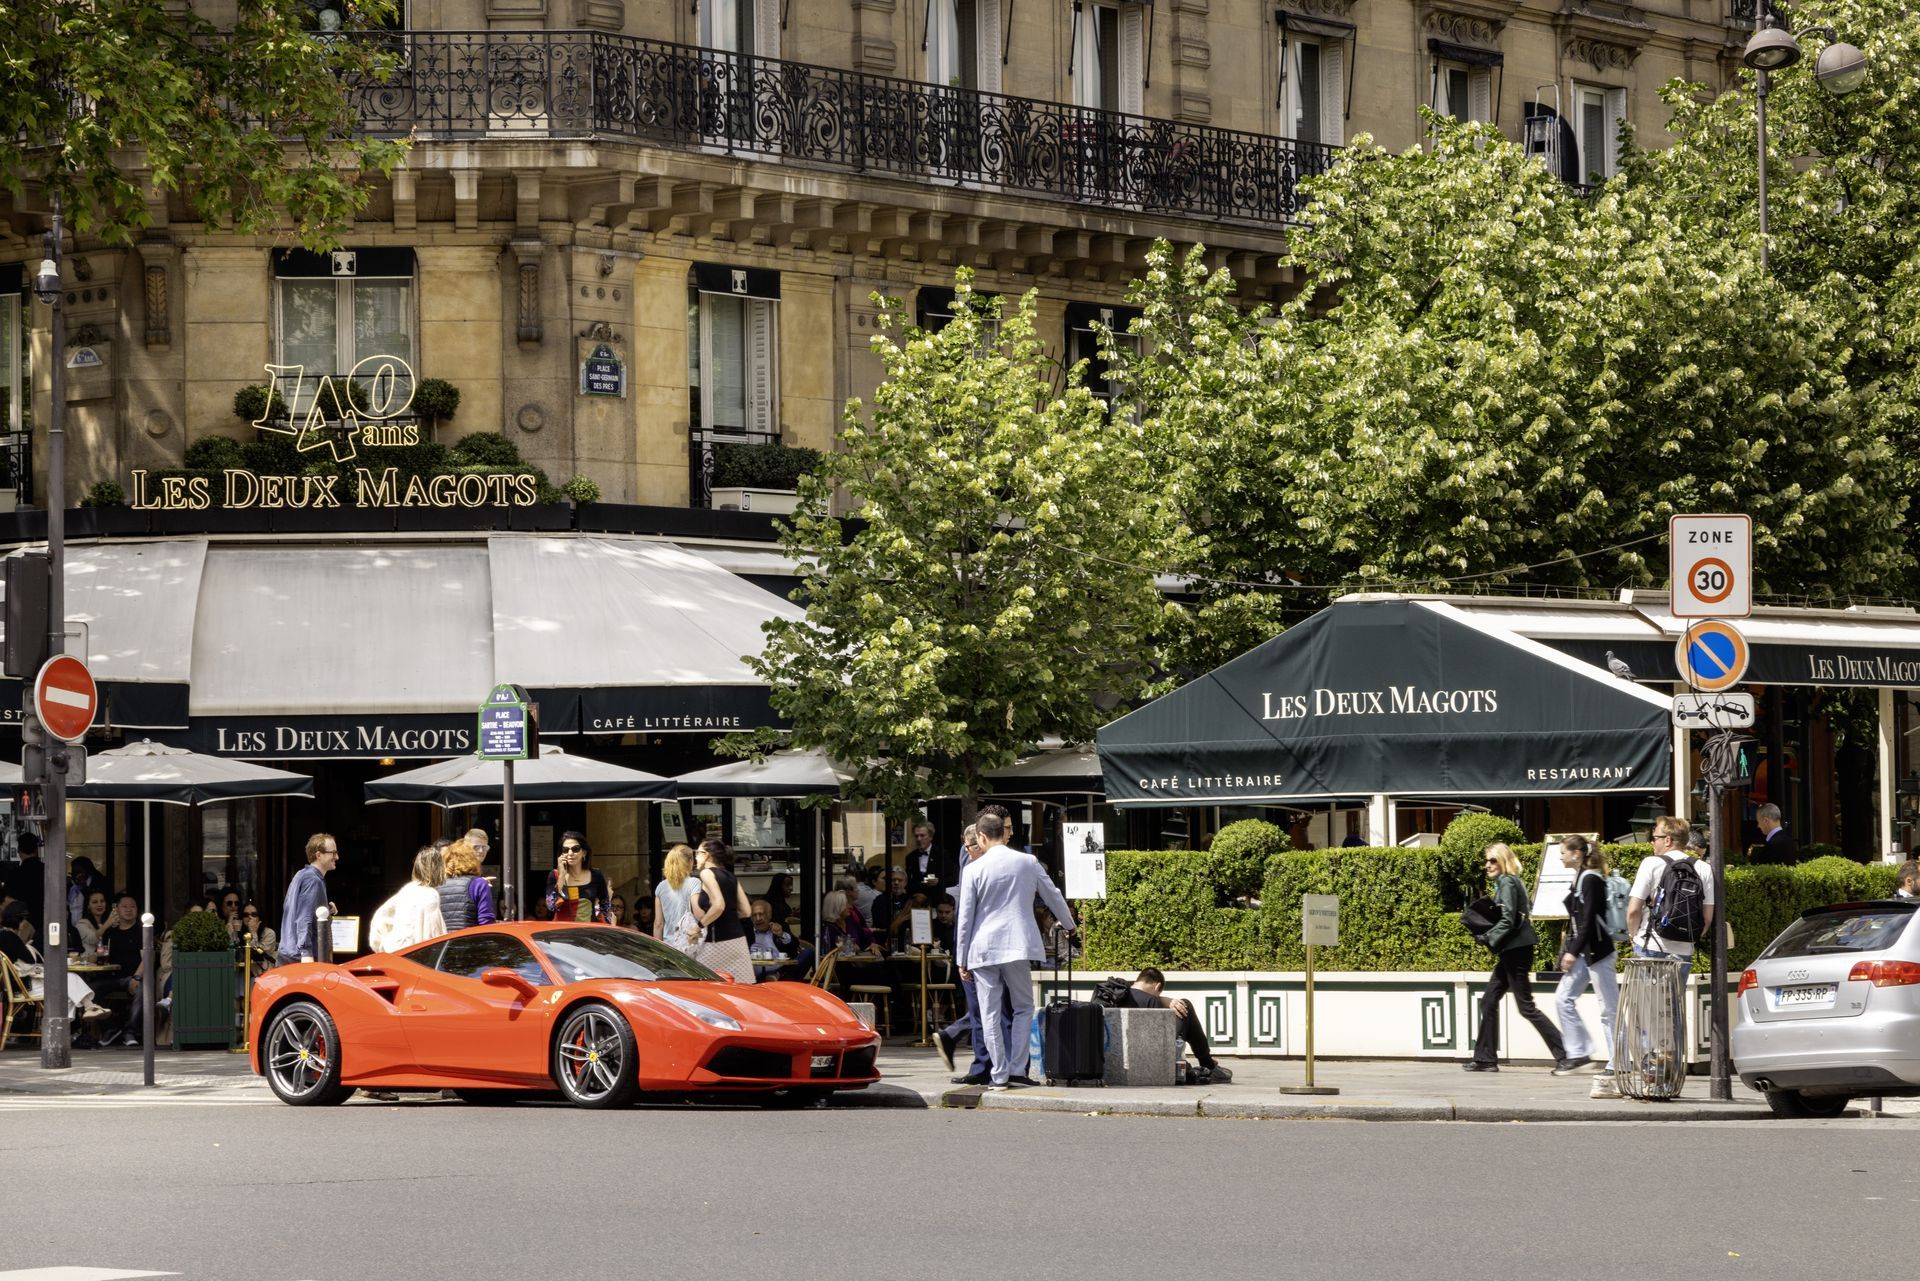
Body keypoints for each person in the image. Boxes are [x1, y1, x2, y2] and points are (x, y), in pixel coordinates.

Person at [955, 810, 1077, 1091]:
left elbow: (966, 918)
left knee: (990, 1012)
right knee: (1023, 1007)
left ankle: (998, 1075)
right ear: (1005, 833)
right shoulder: (1027, 861)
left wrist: (962, 958)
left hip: (982, 948)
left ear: (982, 836)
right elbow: (1053, 895)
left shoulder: (973, 869)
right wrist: (1069, 925)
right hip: (1017, 945)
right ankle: (1016, 1069)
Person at [1465, 843, 1572, 1073]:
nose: (1487, 865)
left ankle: (1566, 1053)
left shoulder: (1507, 882)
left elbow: (1508, 920)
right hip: (1513, 950)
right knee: (1489, 1000)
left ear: (1503, 860)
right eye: (1486, 861)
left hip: (1516, 950)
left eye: (1492, 860)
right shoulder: (1510, 882)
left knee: (1526, 1007)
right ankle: (1485, 1059)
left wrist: (1487, 937)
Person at [1551, 835, 1620, 1096]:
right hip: (1584, 954)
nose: (1560, 857)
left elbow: (1589, 920)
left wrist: (1572, 952)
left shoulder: (1591, 879)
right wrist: (1569, 952)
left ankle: (1618, 1061)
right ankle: (1579, 1053)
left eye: (1563, 852)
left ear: (1577, 854)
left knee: (1609, 1010)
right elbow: (1577, 921)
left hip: (1599, 952)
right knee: (1563, 998)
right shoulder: (1581, 877)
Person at [0, 901, 111, 1024]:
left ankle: (81, 1012)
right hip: (24, 987)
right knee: (69, 979)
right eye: (24, 919)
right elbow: (30, 960)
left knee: (68, 987)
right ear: (18, 919)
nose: (25, 923)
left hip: (18, 985)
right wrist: (27, 947)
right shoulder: (10, 937)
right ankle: (82, 1011)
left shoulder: (5, 936)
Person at [1127, 968, 1232, 1083]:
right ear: (1157, 987)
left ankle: (1208, 1063)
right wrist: (1162, 1000)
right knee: (1185, 1005)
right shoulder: (1152, 1001)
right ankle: (1208, 1064)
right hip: (1151, 1059)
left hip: (1122, 1057)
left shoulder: (1117, 993)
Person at [690, 841, 754, 982]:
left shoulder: (706, 873)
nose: (696, 858)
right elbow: (746, 911)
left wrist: (698, 926)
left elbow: (718, 905)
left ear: (706, 855)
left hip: (716, 942)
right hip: (737, 942)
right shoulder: (731, 876)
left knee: (702, 988)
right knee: (741, 991)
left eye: (697, 853)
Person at [368, 847, 448, 953]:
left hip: (395, 950)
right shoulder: (430, 895)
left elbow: (379, 916)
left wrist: (381, 945)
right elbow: (433, 934)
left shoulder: (407, 890)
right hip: (413, 955)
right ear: (439, 869)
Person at [278, 833, 339, 965]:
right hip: (300, 958)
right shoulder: (313, 880)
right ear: (318, 855)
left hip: (289, 953)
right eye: (333, 853)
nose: (337, 857)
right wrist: (306, 953)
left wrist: (326, 908)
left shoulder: (302, 875)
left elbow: (297, 909)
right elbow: (303, 917)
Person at [544, 832, 610, 923]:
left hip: (587, 932)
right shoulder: (555, 875)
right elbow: (551, 906)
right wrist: (562, 876)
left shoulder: (596, 875)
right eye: (565, 850)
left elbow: (605, 906)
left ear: (584, 853)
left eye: (575, 849)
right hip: (561, 932)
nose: (570, 853)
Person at [746, 898, 811, 979]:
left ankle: (777, 975)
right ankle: (772, 976)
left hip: (782, 971)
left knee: (809, 952)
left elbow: (794, 947)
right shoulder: (746, 932)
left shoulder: (780, 927)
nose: (758, 918)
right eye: (754, 915)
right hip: (754, 975)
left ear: (769, 915)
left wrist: (781, 934)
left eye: (761, 914)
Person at [438, 839, 495, 930]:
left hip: (444, 942)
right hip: (469, 941)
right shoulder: (479, 884)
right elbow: (486, 922)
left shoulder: (438, 885)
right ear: (472, 859)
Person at [655, 844, 701, 951]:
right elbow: (698, 914)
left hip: (668, 946)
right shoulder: (694, 883)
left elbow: (658, 923)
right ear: (690, 862)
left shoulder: (661, 887)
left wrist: (658, 950)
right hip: (689, 943)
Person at [821, 890, 882, 957]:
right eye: (846, 904)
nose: (851, 907)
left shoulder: (850, 921)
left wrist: (872, 944)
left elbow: (866, 936)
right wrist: (851, 947)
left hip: (857, 964)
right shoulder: (827, 929)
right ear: (836, 906)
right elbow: (829, 951)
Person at [867, 865, 912, 951]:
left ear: (905, 883)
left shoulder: (910, 901)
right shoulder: (880, 900)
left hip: (906, 942)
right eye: (893, 880)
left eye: (900, 880)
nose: (896, 883)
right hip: (884, 943)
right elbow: (880, 923)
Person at [6, 833, 45, 931]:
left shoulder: (15, 874)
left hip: (22, 923)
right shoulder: (47, 870)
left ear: (19, 850)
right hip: (45, 919)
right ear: (36, 849)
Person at [75, 889, 113, 956]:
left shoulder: (110, 922)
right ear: (88, 906)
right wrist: (107, 924)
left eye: (102, 901)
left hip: (108, 962)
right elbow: (92, 939)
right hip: (89, 964)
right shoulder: (81, 924)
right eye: (95, 902)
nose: (99, 904)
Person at [906, 823, 940, 891]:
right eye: (916, 836)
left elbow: (952, 877)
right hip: (917, 896)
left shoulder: (940, 854)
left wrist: (938, 881)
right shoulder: (910, 857)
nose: (919, 839)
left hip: (935, 895)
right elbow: (908, 880)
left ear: (931, 837)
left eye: (922, 835)